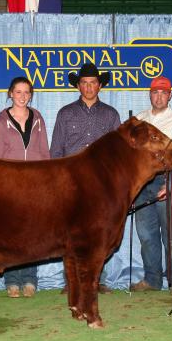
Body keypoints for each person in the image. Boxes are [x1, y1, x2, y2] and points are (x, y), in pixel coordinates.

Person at [50, 62, 120, 294]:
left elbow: (117, 152)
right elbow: (56, 151)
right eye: (84, 83)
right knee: (71, 232)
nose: (89, 87)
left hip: (101, 183)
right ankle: (72, 281)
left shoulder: (111, 115)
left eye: (93, 83)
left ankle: (96, 280)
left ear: (99, 86)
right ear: (78, 86)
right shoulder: (65, 113)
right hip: (72, 182)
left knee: (100, 232)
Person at [0, 77, 50, 298]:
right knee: (11, 234)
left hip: (34, 185)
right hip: (10, 185)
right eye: (18, 92)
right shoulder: (0, 122)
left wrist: (46, 181)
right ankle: (12, 281)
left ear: (31, 95)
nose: (22, 96)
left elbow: (44, 152)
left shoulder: (38, 119)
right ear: (10, 94)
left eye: (26, 92)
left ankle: (29, 280)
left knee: (32, 234)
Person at [131, 76, 172, 296]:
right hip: (142, 183)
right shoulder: (139, 119)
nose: (159, 96)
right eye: (155, 92)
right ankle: (152, 278)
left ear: (170, 95)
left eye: (163, 92)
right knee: (146, 233)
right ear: (150, 94)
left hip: (166, 180)